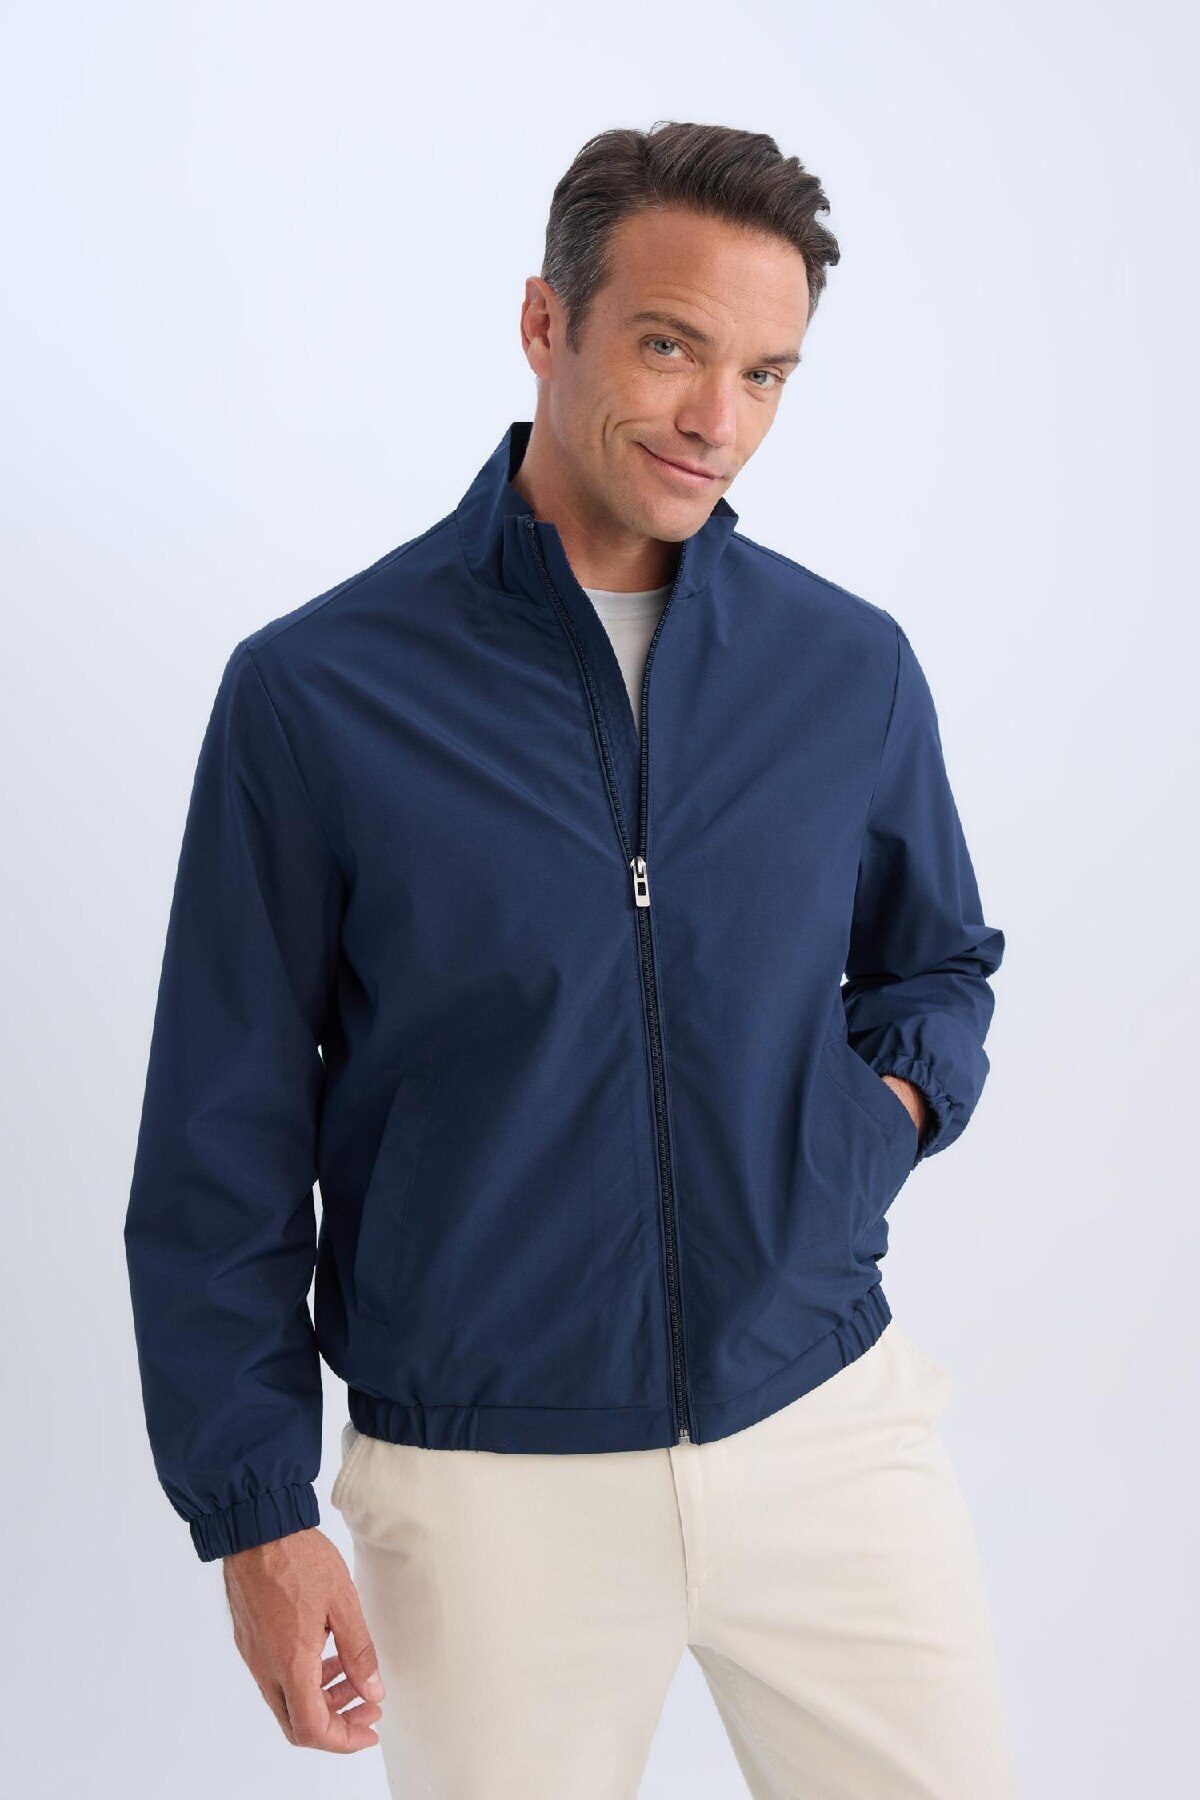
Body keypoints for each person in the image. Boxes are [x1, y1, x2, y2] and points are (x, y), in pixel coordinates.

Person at [123, 120, 1020, 1798]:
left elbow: (936, 964)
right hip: (487, 1492)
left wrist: (869, 1129)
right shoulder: (319, 694)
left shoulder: (845, 668)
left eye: (765, 373)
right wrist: (252, 1511)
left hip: (826, 1426)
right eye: (671, 346)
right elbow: (219, 1130)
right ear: (546, 323)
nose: (716, 419)